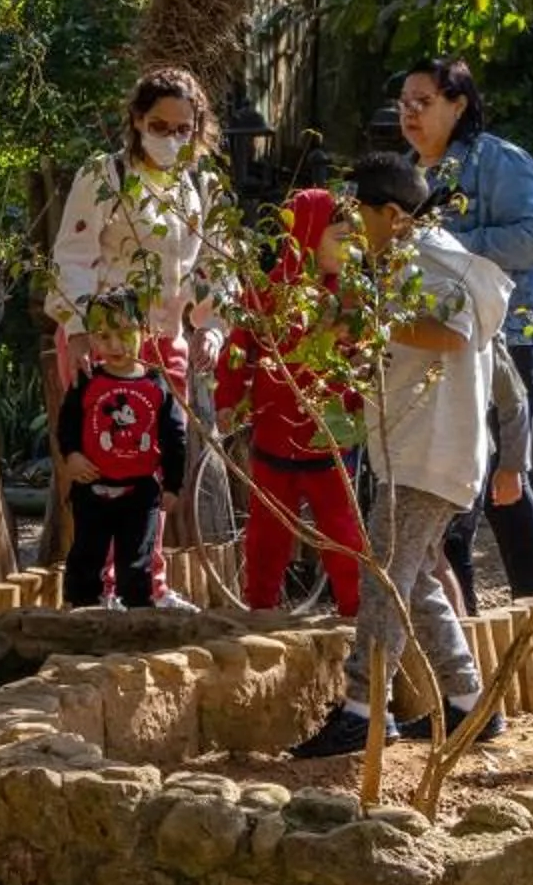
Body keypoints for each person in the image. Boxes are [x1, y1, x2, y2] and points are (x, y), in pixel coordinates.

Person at [290, 152, 512, 758]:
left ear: (391, 213)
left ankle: (363, 711)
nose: (351, 227)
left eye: (357, 214)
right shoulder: (406, 261)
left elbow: (452, 333)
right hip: (421, 447)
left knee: (383, 578)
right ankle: (470, 706)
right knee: (411, 583)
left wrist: (370, 319)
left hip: (431, 450)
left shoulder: (435, 264)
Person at [48, 66, 222, 601]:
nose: (169, 137)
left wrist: (211, 325)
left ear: (197, 128)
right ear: (136, 120)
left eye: (181, 128)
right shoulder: (105, 176)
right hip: (103, 339)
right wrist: (78, 330)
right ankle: (94, 587)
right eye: (158, 124)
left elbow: (212, 266)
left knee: (155, 463)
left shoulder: (201, 188)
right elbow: (73, 255)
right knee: (101, 456)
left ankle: (146, 583)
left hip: (165, 341)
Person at [399, 58, 533, 603]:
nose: (410, 113)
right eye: (404, 103)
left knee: (505, 490)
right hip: (434, 351)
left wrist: (455, 248)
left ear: (458, 103)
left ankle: (531, 619)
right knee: (450, 495)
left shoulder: (501, 161)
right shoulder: (406, 173)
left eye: (423, 101)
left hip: (506, 344)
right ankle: (461, 643)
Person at [219, 183, 366, 614]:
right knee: (267, 533)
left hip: (329, 440)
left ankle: (354, 612)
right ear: (308, 232)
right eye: (341, 238)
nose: (349, 249)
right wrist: (229, 398)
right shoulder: (268, 293)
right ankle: (261, 606)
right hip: (273, 440)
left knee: (342, 533)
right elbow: (237, 348)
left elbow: (362, 357)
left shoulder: (349, 298)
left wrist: (358, 404)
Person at [56, 292, 186, 609]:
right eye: (103, 336)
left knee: (136, 561)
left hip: (140, 492)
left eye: (124, 334)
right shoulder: (85, 382)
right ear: (89, 337)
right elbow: (67, 424)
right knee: (86, 554)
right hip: (92, 487)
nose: (114, 345)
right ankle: (83, 611)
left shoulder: (157, 385)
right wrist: (72, 455)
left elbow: (174, 436)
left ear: (144, 330)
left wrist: (172, 484)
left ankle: (139, 615)